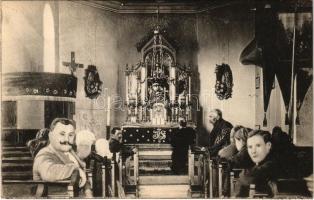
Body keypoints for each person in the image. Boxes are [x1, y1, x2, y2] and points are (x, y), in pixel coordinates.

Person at [33, 118, 91, 196]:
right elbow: (48, 172)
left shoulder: (69, 151)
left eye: (70, 135)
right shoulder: (44, 154)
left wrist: (88, 193)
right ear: (51, 136)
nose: (66, 139)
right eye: (62, 134)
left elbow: (83, 176)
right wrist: (75, 169)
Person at [236, 130, 278, 197]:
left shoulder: (272, 163)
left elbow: (248, 178)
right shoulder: (262, 162)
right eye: (250, 147)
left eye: (258, 145)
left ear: (268, 146)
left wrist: (243, 174)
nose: (253, 151)